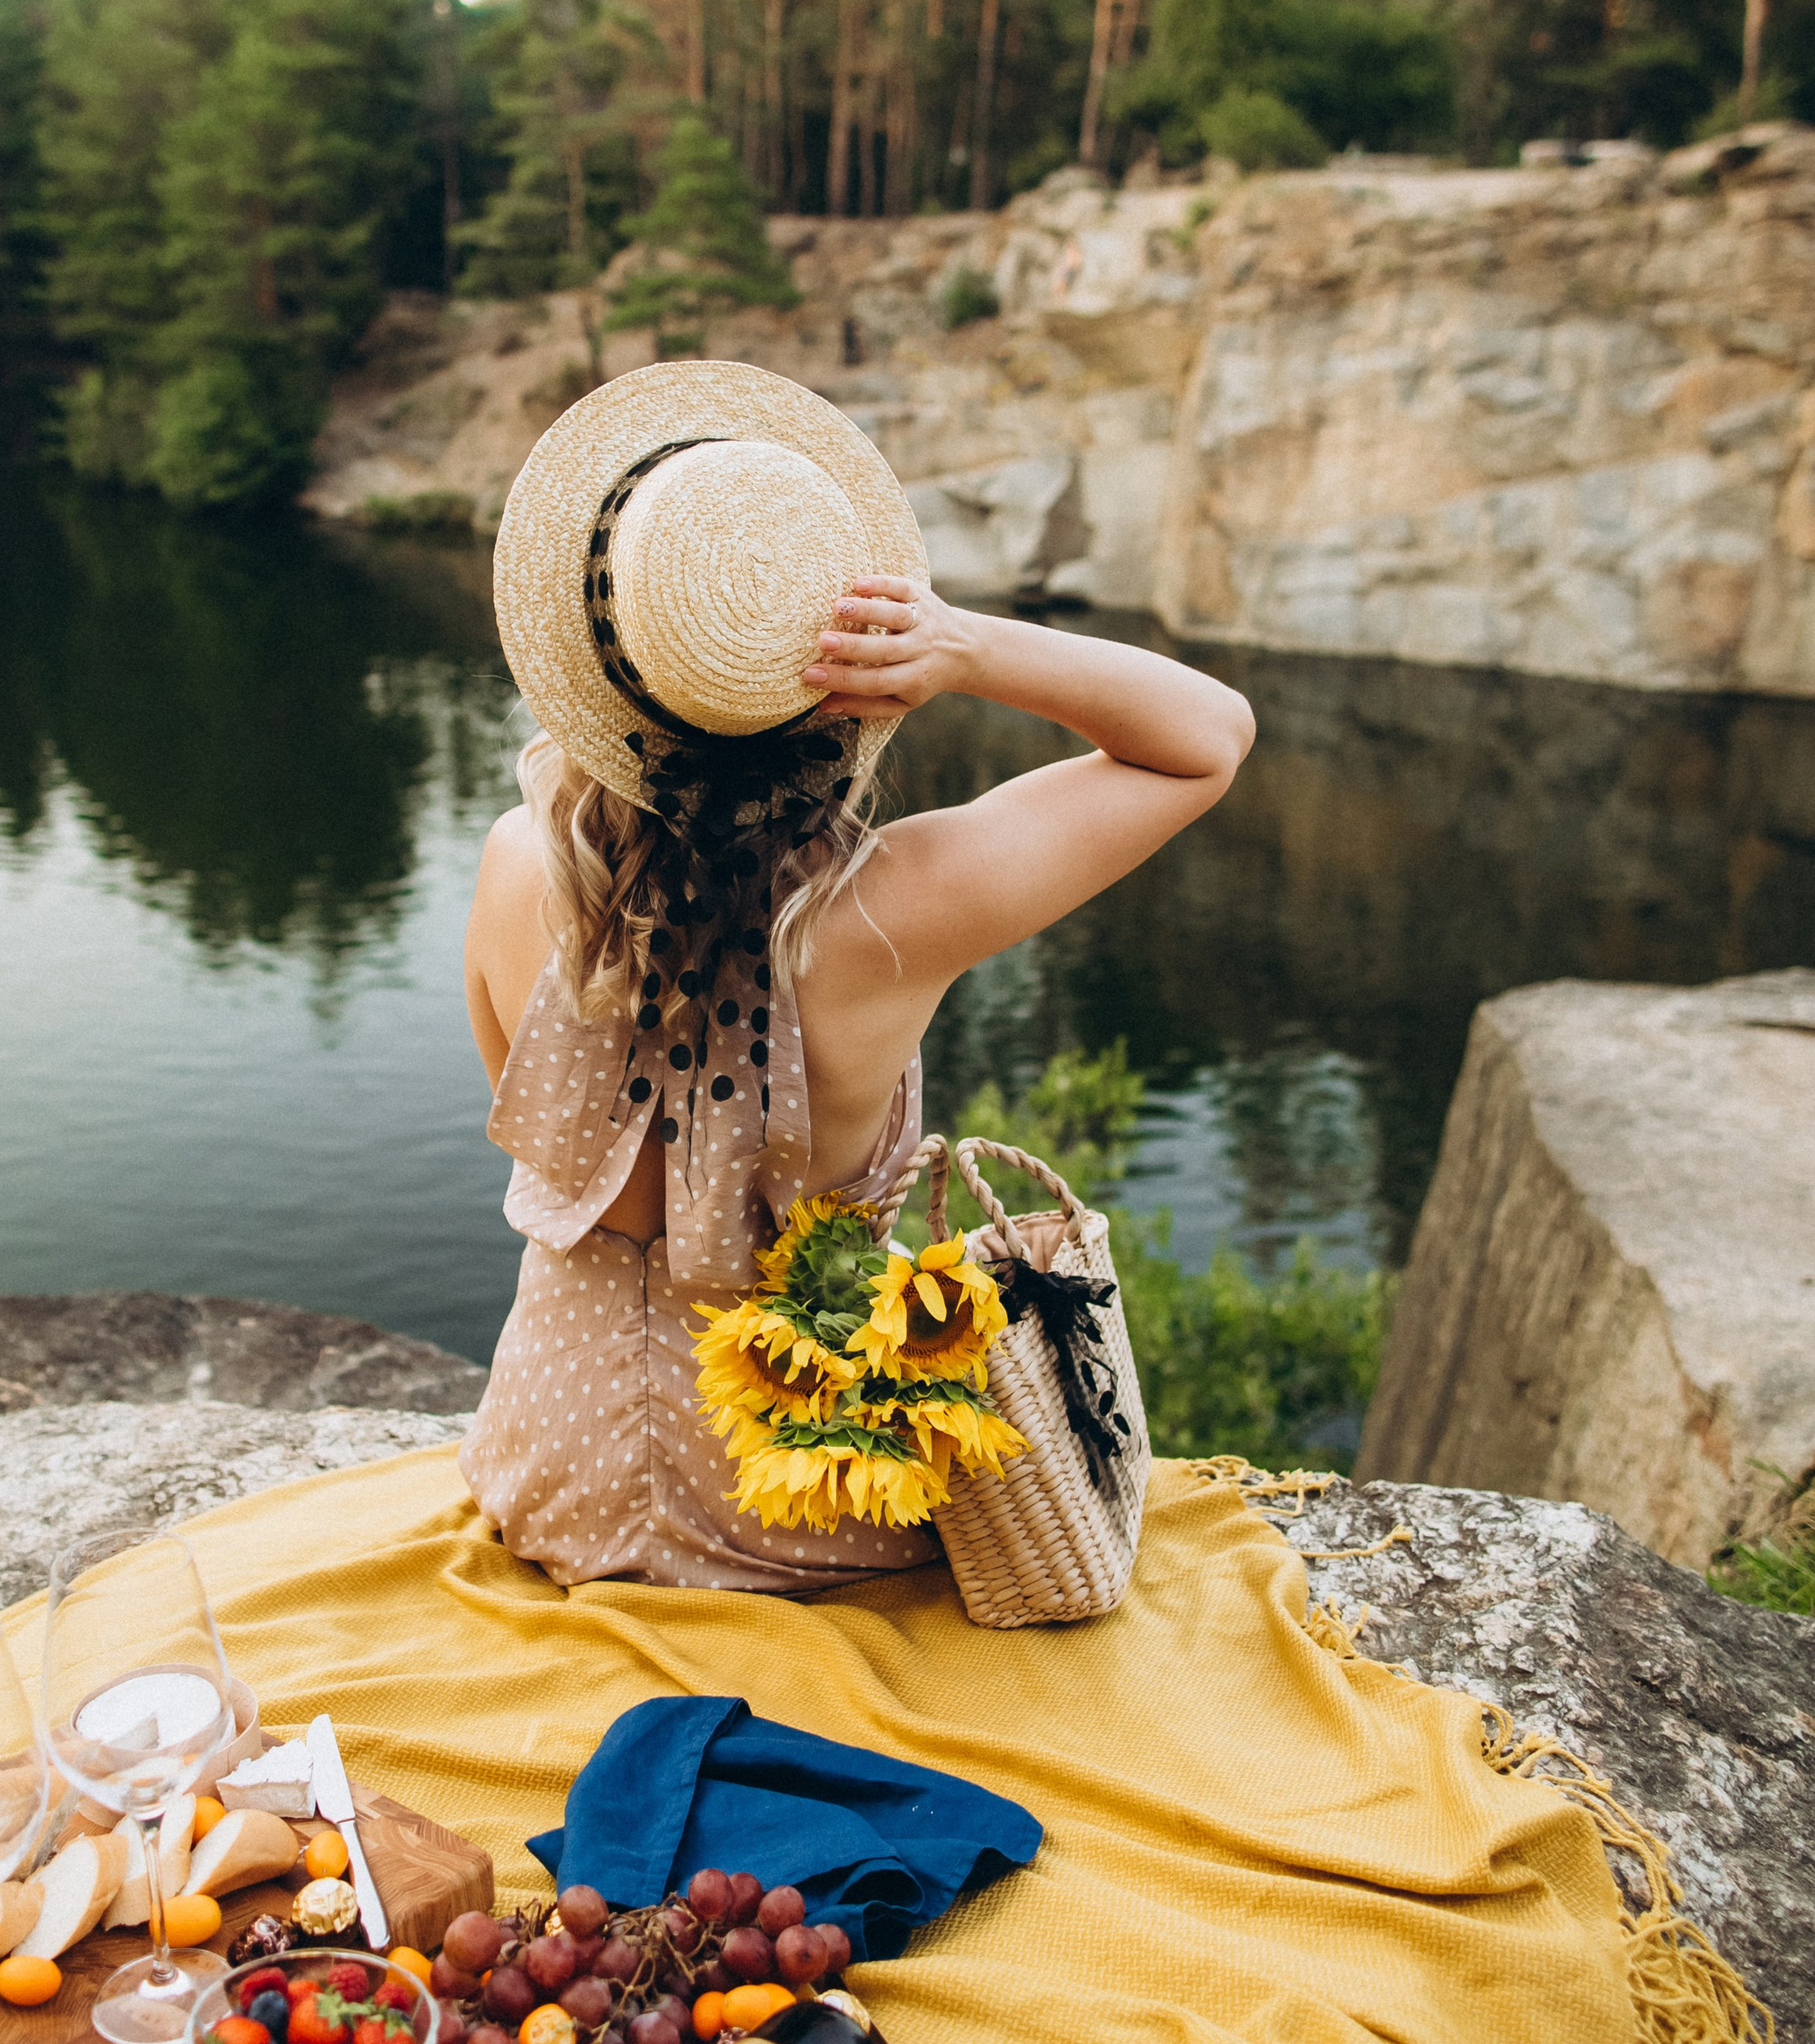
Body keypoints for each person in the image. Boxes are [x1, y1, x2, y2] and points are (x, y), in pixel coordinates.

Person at [460, 363, 1254, 1593]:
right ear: (841, 691)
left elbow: (530, 1137)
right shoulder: (893, 912)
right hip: (802, 1498)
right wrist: (963, 643)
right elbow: (1207, 741)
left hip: (548, 1476)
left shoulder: (516, 867)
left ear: (598, 665)